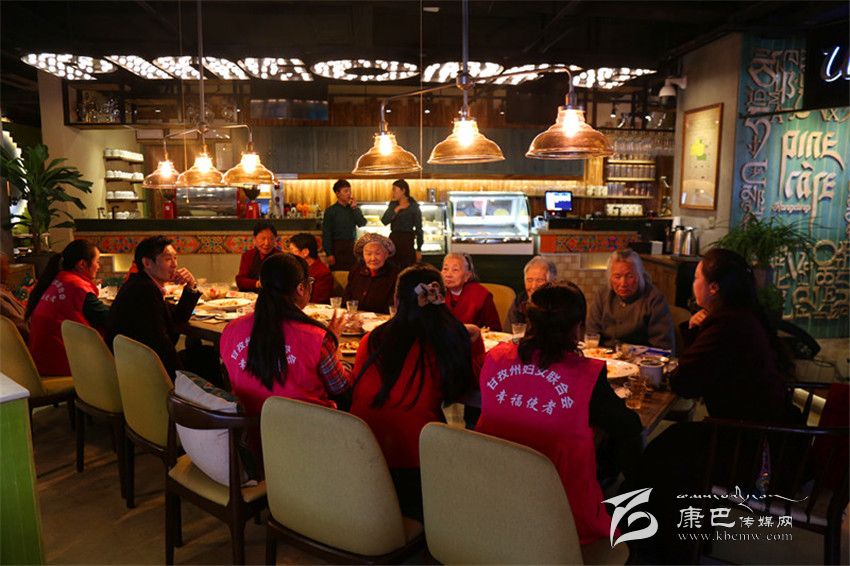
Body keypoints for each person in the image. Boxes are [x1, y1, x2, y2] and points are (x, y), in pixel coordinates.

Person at [622, 248, 800, 564]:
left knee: (661, 457)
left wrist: (696, 332)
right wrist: (698, 329)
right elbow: (703, 372)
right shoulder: (741, 317)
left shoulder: (726, 326)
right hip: (765, 437)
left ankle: (660, 548)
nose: (693, 283)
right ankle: (675, 541)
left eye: (697, 277)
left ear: (714, 287)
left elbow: (686, 383)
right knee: (669, 445)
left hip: (752, 450)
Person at [476, 284, 642, 547]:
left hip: (494, 498)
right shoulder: (585, 375)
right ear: (577, 327)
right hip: (562, 518)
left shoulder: (495, 358)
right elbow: (630, 425)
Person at [350, 264, 475, 520]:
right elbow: (461, 390)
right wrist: (472, 340)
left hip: (359, 458)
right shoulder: (444, 344)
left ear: (396, 300)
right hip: (413, 469)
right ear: (440, 298)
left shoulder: (372, 339)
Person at [221, 253, 350, 419]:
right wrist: (335, 347)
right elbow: (340, 387)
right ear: (301, 288)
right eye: (310, 282)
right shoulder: (318, 338)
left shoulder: (230, 330)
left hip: (252, 428)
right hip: (309, 430)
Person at [106, 236, 210, 382]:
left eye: (175, 258)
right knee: (206, 357)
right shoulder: (144, 291)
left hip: (131, 365)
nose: (174, 264)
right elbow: (162, 346)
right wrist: (183, 383)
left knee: (202, 354)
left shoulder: (141, 284)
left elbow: (177, 318)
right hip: (144, 373)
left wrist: (191, 286)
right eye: (168, 259)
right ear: (147, 263)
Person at [26, 240, 109, 376]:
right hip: (62, 364)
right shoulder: (76, 287)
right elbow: (109, 318)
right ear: (82, 264)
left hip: (41, 360)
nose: (98, 267)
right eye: (97, 262)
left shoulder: (59, 280)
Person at [586, 249, 674, 350]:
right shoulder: (602, 295)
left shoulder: (654, 300)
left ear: (639, 276)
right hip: (605, 355)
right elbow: (592, 334)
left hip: (641, 357)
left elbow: (662, 346)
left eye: (630, 276)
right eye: (617, 277)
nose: (623, 283)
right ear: (610, 278)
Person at [441, 252, 502, 331]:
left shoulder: (481, 294)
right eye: (445, 269)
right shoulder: (436, 293)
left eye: (455, 270)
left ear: (467, 275)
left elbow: (494, 330)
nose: (448, 275)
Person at [344, 233, 400, 314]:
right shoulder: (356, 270)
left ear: (386, 254)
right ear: (363, 255)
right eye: (368, 254)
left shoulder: (395, 275)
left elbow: (393, 308)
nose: (373, 258)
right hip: (355, 317)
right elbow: (346, 300)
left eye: (378, 253)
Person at [321, 179, 366, 272]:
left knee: (353, 273)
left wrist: (355, 208)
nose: (349, 194)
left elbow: (362, 223)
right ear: (337, 194)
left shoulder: (353, 209)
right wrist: (329, 254)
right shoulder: (331, 211)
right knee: (338, 274)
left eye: (349, 191)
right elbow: (326, 233)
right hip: (337, 247)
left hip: (352, 246)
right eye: (346, 191)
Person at [381, 179, 422, 268]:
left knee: (407, 269)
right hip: (394, 240)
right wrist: (397, 209)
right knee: (392, 268)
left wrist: (419, 249)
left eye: (394, 190)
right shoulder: (393, 204)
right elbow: (384, 221)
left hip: (407, 241)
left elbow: (419, 229)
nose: (392, 193)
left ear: (403, 190)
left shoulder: (413, 206)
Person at [507, 256, 558, 326]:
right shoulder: (520, 301)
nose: (533, 286)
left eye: (540, 280)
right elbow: (509, 330)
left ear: (553, 282)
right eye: (529, 280)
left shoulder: (560, 305)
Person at [287, 233, 333, 304]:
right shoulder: (295, 268)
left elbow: (317, 302)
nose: (290, 255)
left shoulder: (322, 273)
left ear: (305, 252)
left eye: (292, 250)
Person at [235, 220, 282, 291]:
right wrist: (257, 284)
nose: (266, 243)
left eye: (271, 239)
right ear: (254, 239)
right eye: (263, 239)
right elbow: (240, 281)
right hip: (250, 295)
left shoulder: (281, 257)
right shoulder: (248, 255)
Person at [1, 252, 29, 340]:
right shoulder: (1, 297)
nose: (10, 270)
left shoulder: (5, 289)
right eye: (7, 265)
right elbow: (22, 326)